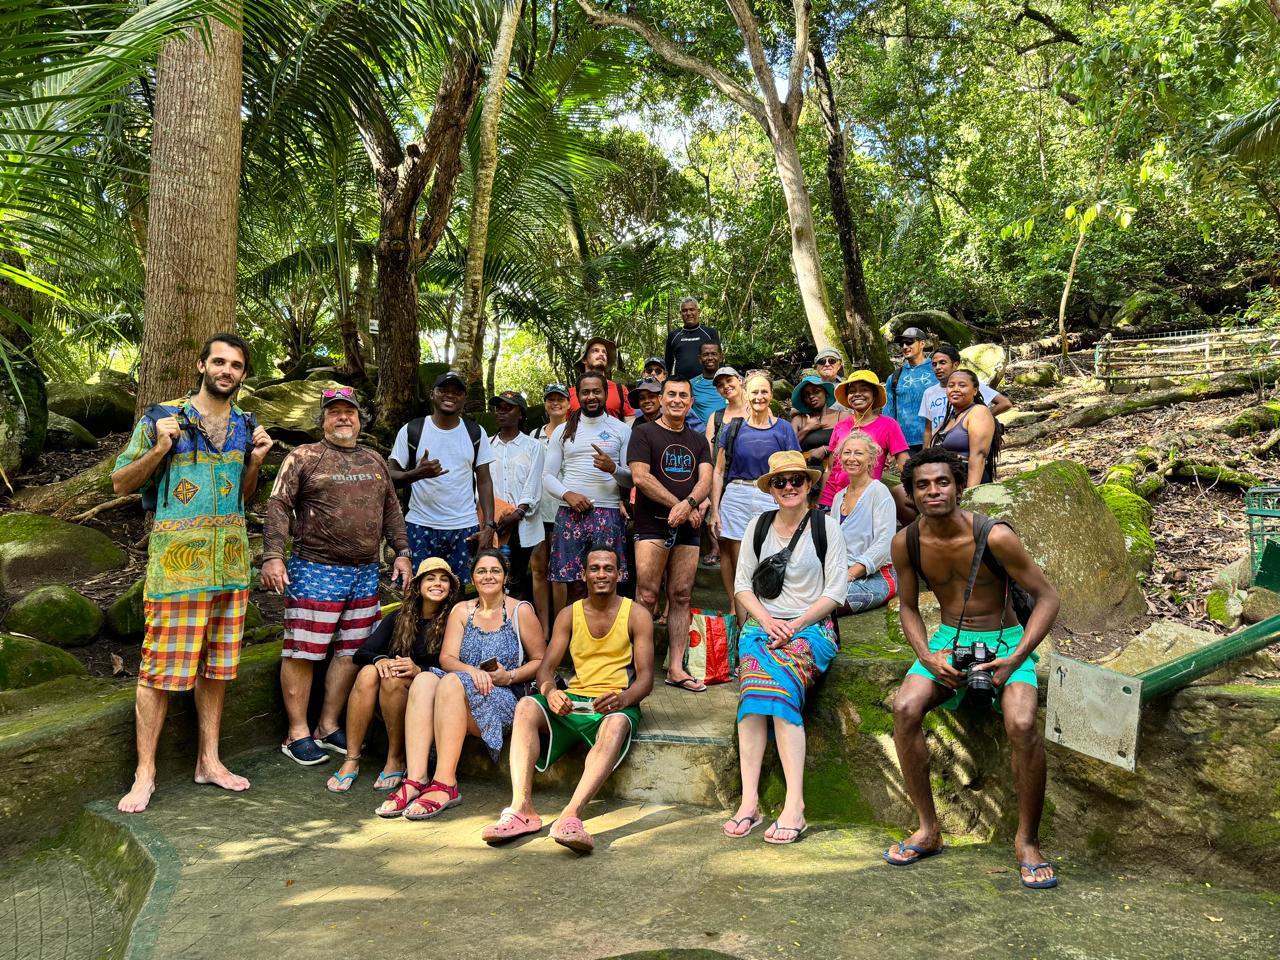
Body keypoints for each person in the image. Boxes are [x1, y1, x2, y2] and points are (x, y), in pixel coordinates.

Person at [110, 333, 273, 812]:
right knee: (159, 670)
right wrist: (160, 449)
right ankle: (145, 774)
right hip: (177, 568)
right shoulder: (163, 416)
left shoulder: (246, 424)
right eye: (219, 361)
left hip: (231, 569)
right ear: (201, 365)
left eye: (236, 365)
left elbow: (243, 497)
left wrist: (257, 462)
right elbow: (120, 481)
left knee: (217, 669)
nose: (227, 370)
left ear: (243, 375)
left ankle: (210, 760)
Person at [885, 448, 1060, 889]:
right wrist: (926, 655)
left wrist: (1019, 656)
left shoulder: (995, 536)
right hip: (946, 640)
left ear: (959, 486)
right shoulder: (906, 542)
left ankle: (1027, 841)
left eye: (942, 482)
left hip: (1004, 641)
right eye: (922, 485)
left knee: (1021, 723)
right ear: (911, 493)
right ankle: (928, 829)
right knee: (905, 708)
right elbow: (907, 606)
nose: (933, 491)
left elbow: (1048, 598)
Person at [263, 388, 414, 765]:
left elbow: (391, 510)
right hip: (314, 567)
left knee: (351, 650)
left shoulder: (375, 460)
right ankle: (296, 732)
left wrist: (403, 553)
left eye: (350, 412)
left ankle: (327, 726)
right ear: (323, 419)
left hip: (364, 573)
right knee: (303, 650)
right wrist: (272, 556)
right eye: (335, 413)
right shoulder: (304, 457)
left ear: (360, 419)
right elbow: (279, 505)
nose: (343, 418)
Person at [481, 544, 654, 853]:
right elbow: (545, 670)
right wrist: (551, 692)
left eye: (608, 568)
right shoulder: (568, 615)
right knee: (526, 706)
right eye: (595, 568)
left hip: (614, 704)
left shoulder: (636, 615)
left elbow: (645, 680)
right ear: (583, 574)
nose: (601, 574)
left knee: (615, 725)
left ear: (620, 574)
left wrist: (623, 698)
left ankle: (571, 816)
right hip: (575, 699)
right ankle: (522, 809)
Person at [723, 451, 847, 843]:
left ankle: (795, 804)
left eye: (797, 480)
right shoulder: (757, 527)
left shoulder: (827, 528)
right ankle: (749, 802)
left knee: (776, 690)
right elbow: (742, 585)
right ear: (771, 489)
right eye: (781, 482)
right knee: (751, 700)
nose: (789, 487)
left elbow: (836, 592)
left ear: (809, 485)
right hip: (763, 629)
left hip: (812, 630)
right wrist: (767, 621)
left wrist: (793, 625)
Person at [378, 550, 546, 819]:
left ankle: (446, 783)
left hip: (500, 696)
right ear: (473, 578)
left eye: (495, 571)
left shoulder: (519, 610)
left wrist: (510, 676)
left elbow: (541, 660)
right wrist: (471, 672)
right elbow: (447, 658)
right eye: (481, 571)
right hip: (461, 690)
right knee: (424, 679)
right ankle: (417, 778)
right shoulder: (461, 611)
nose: (488, 576)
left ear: (505, 577)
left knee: (452, 682)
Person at [325, 557, 460, 793]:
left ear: (450, 589)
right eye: (430, 578)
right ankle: (352, 759)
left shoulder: (454, 621)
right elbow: (361, 653)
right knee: (368, 672)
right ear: (418, 586)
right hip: (384, 700)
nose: (437, 583)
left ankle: (395, 757)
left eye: (444, 579)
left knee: (393, 678)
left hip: (428, 696)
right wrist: (380, 660)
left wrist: (419, 670)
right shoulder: (399, 617)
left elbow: (454, 666)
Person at [627, 377, 713, 693]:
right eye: (672, 394)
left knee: (681, 595)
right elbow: (640, 477)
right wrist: (677, 505)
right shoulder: (644, 433)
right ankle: (639, 667)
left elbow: (705, 481)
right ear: (662, 399)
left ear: (691, 402)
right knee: (647, 594)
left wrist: (689, 504)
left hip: (689, 526)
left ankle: (676, 668)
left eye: (683, 396)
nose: (677, 400)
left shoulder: (699, 440)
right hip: (652, 523)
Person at [389, 371, 496, 579]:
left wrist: (489, 525)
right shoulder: (412, 430)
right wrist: (416, 474)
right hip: (420, 525)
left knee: (458, 592)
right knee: (420, 589)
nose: (450, 395)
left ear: (464, 398)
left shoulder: (475, 432)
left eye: (457, 392)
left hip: (464, 527)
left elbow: (484, 480)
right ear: (432, 394)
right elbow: (390, 476)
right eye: (443, 390)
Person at [709, 371, 801, 611]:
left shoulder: (783, 429)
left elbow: (795, 469)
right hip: (737, 494)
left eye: (764, 392)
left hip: (771, 495)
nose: (759, 396)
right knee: (735, 555)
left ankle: (762, 607)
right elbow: (718, 471)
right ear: (745, 393)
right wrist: (715, 510)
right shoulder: (732, 428)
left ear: (771, 395)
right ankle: (736, 606)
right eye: (754, 392)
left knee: (769, 553)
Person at [544, 371, 634, 609]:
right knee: (574, 584)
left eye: (596, 391)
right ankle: (577, 641)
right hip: (570, 513)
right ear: (578, 396)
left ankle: (607, 639)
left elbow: (631, 480)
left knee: (606, 583)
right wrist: (567, 494)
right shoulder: (563, 431)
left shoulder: (621, 429)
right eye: (586, 392)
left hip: (609, 514)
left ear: (606, 394)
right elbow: (547, 477)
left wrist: (613, 468)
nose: (591, 396)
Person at [819, 370, 908, 509]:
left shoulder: (888, 425)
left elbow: (904, 463)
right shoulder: (841, 427)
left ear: (874, 395)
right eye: (852, 391)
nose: (857, 394)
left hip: (866, 498)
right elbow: (830, 468)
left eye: (864, 389)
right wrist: (823, 500)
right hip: (833, 498)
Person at [488, 390, 545, 599]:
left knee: (517, 579)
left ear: (520, 413)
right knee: (492, 575)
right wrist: (492, 516)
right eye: (499, 408)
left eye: (508, 408)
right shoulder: (486, 445)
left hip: (521, 523)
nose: (502, 413)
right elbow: (480, 484)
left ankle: (517, 626)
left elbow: (533, 484)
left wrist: (518, 513)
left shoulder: (534, 446)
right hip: (493, 522)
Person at [833, 431, 897, 613]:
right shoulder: (839, 497)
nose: (851, 458)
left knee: (824, 604)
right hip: (842, 574)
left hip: (876, 577)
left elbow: (884, 543)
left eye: (858, 453)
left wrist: (850, 574)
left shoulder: (879, 492)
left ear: (871, 460)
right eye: (847, 452)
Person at [530, 383, 570, 634]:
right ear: (545, 404)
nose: (556, 403)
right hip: (537, 511)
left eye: (560, 399)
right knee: (538, 569)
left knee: (559, 571)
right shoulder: (535, 436)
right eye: (551, 399)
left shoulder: (575, 433)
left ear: (568, 403)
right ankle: (543, 627)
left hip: (564, 510)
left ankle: (560, 626)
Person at [920, 344, 1011, 447]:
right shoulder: (929, 393)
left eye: (942, 363)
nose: (938, 367)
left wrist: (982, 418)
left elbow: (1005, 403)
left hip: (964, 442)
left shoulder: (970, 386)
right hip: (939, 445)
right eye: (934, 364)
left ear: (955, 365)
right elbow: (928, 429)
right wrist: (925, 453)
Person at [702, 366, 747, 568]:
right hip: (721, 470)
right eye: (720, 385)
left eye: (729, 381)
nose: (725, 387)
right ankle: (715, 547)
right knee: (715, 509)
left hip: (746, 473)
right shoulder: (716, 416)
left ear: (740, 380)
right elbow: (708, 449)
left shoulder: (756, 407)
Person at [931, 369, 999, 487]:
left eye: (962, 385)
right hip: (942, 481)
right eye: (951, 385)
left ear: (975, 391)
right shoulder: (948, 419)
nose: (955, 389)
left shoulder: (979, 412)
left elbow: (979, 456)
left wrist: (970, 495)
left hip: (966, 479)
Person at [883, 327, 938, 453]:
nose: (904, 346)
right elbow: (889, 412)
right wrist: (887, 443)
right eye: (901, 344)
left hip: (937, 439)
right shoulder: (895, 377)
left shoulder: (937, 370)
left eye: (909, 342)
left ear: (922, 343)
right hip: (904, 444)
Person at [789, 375, 842, 489]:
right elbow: (789, 450)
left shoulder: (842, 416)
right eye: (806, 395)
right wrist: (807, 428)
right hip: (804, 475)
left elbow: (852, 444)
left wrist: (825, 449)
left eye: (816, 391)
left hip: (836, 473)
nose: (812, 396)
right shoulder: (798, 420)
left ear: (826, 393)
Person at [568, 336, 634, 419]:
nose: (601, 354)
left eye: (604, 352)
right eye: (595, 351)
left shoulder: (620, 390)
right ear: (584, 359)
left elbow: (629, 421)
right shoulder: (570, 393)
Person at [664, 296, 720, 381]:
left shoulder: (710, 333)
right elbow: (668, 364)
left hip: (707, 384)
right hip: (681, 385)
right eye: (685, 310)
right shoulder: (673, 335)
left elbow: (719, 359)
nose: (688, 313)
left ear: (698, 311)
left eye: (692, 309)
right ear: (680, 313)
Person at [689, 341, 728, 429]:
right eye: (706, 354)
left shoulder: (731, 383)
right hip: (701, 436)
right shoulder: (691, 384)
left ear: (721, 357)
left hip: (729, 433)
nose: (710, 358)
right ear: (699, 359)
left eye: (714, 354)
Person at [813, 347, 850, 414]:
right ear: (816, 367)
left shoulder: (849, 386)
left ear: (839, 365)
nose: (827, 364)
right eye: (822, 361)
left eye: (832, 361)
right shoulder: (810, 387)